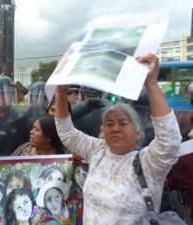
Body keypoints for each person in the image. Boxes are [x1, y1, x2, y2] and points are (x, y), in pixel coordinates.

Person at [54, 54, 182, 224]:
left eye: (123, 123)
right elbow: (67, 133)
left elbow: (170, 140)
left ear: (138, 132)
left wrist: (151, 84)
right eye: (109, 124)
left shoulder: (149, 162)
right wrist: (61, 93)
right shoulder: (97, 151)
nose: (115, 128)